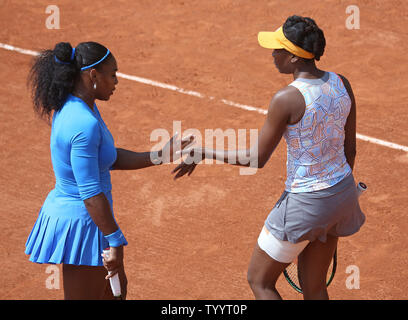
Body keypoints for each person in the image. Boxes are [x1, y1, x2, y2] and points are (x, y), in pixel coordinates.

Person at [172, 15, 365, 300]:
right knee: (315, 288)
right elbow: (350, 150)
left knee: (259, 280)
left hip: (304, 204)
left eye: (278, 50)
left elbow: (257, 158)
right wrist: (332, 199)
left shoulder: (286, 98)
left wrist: (203, 151)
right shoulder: (342, 83)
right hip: (342, 195)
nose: (273, 54)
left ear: (295, 58)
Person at [25, 41, 193, 299]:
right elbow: (90, 194)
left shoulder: (82, 106)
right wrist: (115, 240)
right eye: (112, 74)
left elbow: (106, 158)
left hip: (93, 221)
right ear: (93, 75)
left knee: (116, 295)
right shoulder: (83, 122)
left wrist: (160, 155)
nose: (116, 82)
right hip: (84, 225)